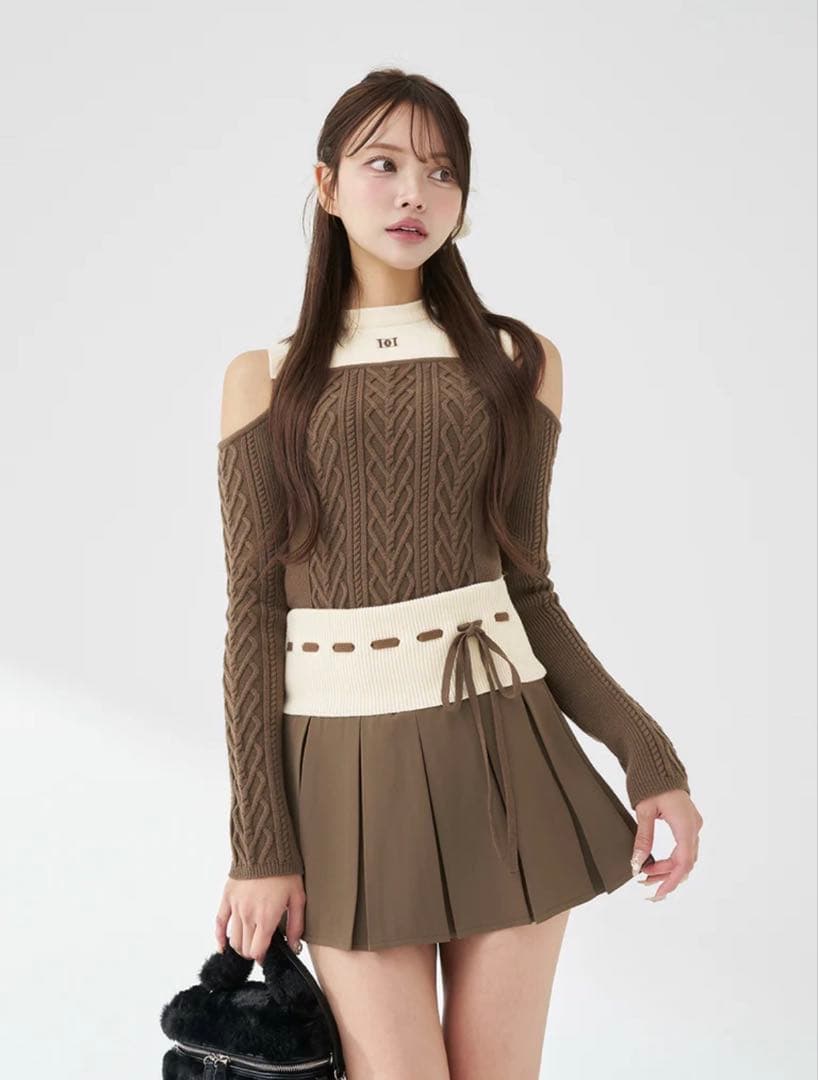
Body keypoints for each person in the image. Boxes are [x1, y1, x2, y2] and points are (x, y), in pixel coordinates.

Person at [212, 68, 703, 1080]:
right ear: (325, 184)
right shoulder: (266, 378)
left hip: (504, 760)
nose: (413, 194)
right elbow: (253, 618)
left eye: (441, 173)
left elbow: (528, 593)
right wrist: (259, 845)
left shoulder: (519, 362)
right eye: (383, 165)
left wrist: (647, 756)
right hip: (338, 781)